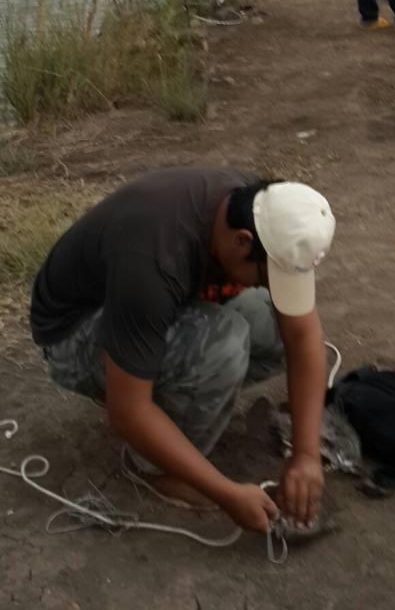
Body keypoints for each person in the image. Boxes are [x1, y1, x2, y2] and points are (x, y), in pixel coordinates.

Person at [29, 167, 336, 535]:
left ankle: (163, 395)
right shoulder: (153, 260)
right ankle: (157, 469)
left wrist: (306, 455)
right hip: (72, 334)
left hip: (144, 308)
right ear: (241, 242)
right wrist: (226, 494)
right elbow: (127, 412)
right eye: (269, 277)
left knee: (274, 331)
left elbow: (303, 337)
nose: (271, 287)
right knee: (225, 343)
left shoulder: (261, 209)